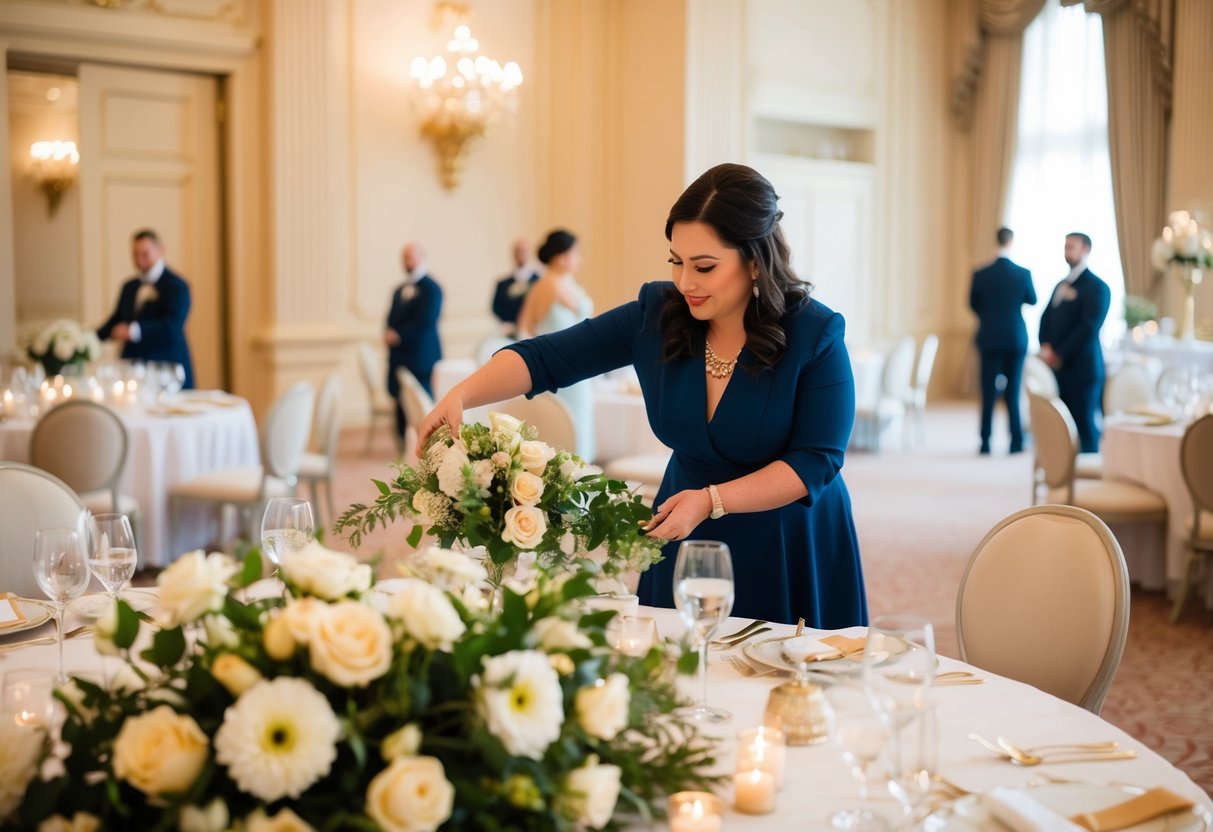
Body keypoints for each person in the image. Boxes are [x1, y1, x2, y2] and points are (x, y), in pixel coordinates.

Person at [415, 164, 866, 628]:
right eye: (677, 261)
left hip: (788, 534)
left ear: (754, 261)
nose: (686, 281)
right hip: (682, 518)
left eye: (705, 266)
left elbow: (817, 460)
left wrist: (710, 500)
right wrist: (462, 394)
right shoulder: (659, 313)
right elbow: (546, 358)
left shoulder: (815, 333)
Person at [516, 229, 596, 461]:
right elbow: (525, 327)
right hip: (562, 367)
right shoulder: (550, 284)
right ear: (561, 257)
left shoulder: (563, 282)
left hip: (576, 365)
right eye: (575, 253)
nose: (579, 260)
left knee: (577, 424)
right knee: (567, 428)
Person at [96, 228, 195, 389]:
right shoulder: (129, 287)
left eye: (145, 254)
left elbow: (172, 327)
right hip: (133, 370)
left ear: (160, 250)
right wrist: (86, 339)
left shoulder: (178, 286)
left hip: (166, 369)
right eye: (135, 255)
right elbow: (116, 320)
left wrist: (133, 330)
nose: (139, 260)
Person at [1039, 232, 1110, 453]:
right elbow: (1046, 317)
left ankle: (1089, 479)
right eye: (1066, 246)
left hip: (1084, 369)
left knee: (1085, 426)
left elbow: (1087, 328)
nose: (1067, 251)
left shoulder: (1098, 287)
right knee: (1063, 428)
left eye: (1072, 247)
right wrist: (1045, 345)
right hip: (1060, 368)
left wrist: (1059, 353)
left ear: (1085, 250)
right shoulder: (1061, 284)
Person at [970, 227, 1036, 455]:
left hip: (988, 337)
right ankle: (1016, 441)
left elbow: (973, 304)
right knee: (1013, 392)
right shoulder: (1022, 273)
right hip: (1015, 339)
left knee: (987, 392)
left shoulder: (981, 274)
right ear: (1011, 242)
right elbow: (1032, 299)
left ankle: (985, 442)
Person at [385, 242, 443, 444]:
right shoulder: (398, 289)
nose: (407, 261)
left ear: (421, 257)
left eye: (411, 256)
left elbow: (426, 320)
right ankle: (403, 445)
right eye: (405, 257)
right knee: (401, 404)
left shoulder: (433, 289)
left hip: (421, 356)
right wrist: (388, 332)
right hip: (399, 356)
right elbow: (391, 318)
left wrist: (400, 336)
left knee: (422, 404)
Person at [491, 237, 540, 335]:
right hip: (509, 332)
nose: (521, 254)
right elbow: (496, 307)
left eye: (524, 251)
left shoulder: (539, 281)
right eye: (518, 251)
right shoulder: (502, 284)